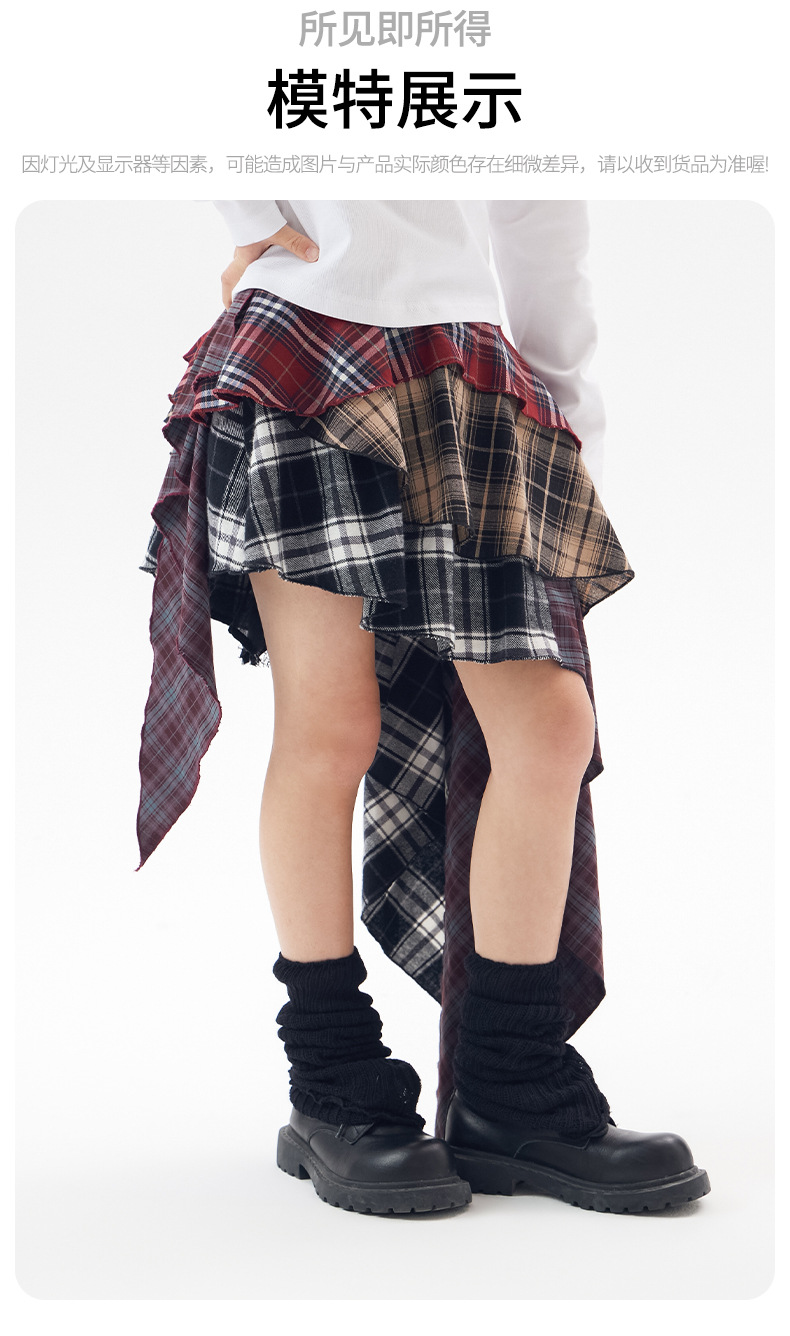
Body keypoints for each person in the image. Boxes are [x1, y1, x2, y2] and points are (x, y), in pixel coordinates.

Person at [136, 200, 710, 1216]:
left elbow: (542, 211)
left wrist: (564, 415)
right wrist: (252, 214)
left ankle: (508, 1082)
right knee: (330, 725)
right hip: (305, 346)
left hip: (467, 369)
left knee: (548, 727)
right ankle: (333, 1080)